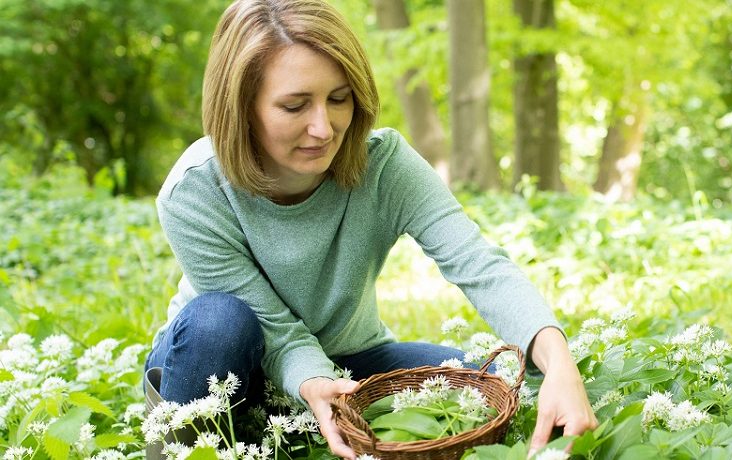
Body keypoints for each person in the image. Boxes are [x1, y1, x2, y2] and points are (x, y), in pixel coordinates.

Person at [143, 0, 597, 457]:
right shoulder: (195, 191)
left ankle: (296, 427)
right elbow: (272, 328)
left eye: (338, 99)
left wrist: (560, 362)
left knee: (485, 383)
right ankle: (185, 444)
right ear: (242, 106)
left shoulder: (385, 166)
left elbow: (478, 264)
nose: (323, 128)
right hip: (224, 360)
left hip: (347, 360)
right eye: (295, 105)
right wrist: (314, 382)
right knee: (220, 321)